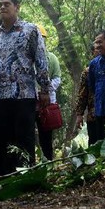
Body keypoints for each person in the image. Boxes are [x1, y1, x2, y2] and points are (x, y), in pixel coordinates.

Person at [0, 0, 50, 175]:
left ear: (17, 7)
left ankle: (27, 178)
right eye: (0, 5)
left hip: (24, 95)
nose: (3, 7)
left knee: (24, 138)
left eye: (7, 4)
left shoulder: (30, 30)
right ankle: (5, 179)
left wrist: (44, 89)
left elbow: (40, 59)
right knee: (1, 140)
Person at [36, 24, 62, 160]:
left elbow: (57, 78)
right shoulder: (26, 59)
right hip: (29, 103)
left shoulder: (51, 58)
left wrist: (44, 89)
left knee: (46, 135)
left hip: (46, 103)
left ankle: (47, 162)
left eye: (41, 38)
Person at [74, 44, 97, 144]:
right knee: (94, 145)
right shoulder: (88, 72)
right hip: (93, 115)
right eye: (97, 49)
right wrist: (79, 114)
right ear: (92, 53)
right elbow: (83, 94)